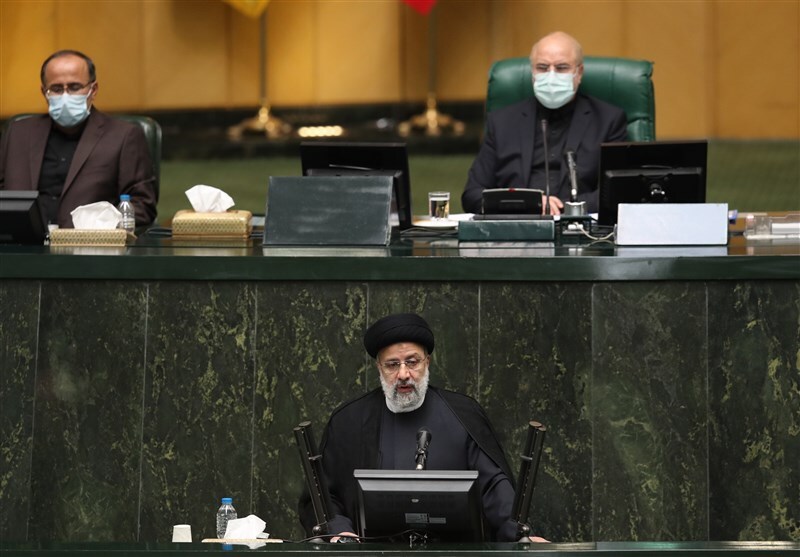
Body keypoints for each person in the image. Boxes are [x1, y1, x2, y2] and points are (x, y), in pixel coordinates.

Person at [298, 312, 547, 543]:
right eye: (392, 365)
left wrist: (520, 536)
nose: (403, 374)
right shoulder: (349, 420)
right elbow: (322, 496)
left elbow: (494, 487)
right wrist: (340, 532)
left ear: (427, 362)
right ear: (379, 367)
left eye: (412, 362)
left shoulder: (462, 415)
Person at [462, 31, 628, 216]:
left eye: (562, 67)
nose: (551, 76)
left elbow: (618, 192)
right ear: (532, 72)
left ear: (579, 73)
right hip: (516, 226)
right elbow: (472, 195)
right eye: (542, 67)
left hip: (578, 226)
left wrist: (563, 208)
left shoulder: (608, 120)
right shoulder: (502, 122)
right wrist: (526, 204)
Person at [0, 50, 157, 228]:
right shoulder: (18, 133)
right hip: (24, 242)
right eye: (56, 89)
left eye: (74, 87)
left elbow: (143, 206)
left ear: (93, 90)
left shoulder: (123, 136)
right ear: (44, 92)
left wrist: (99, 224)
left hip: (89, 242)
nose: (65, 96)